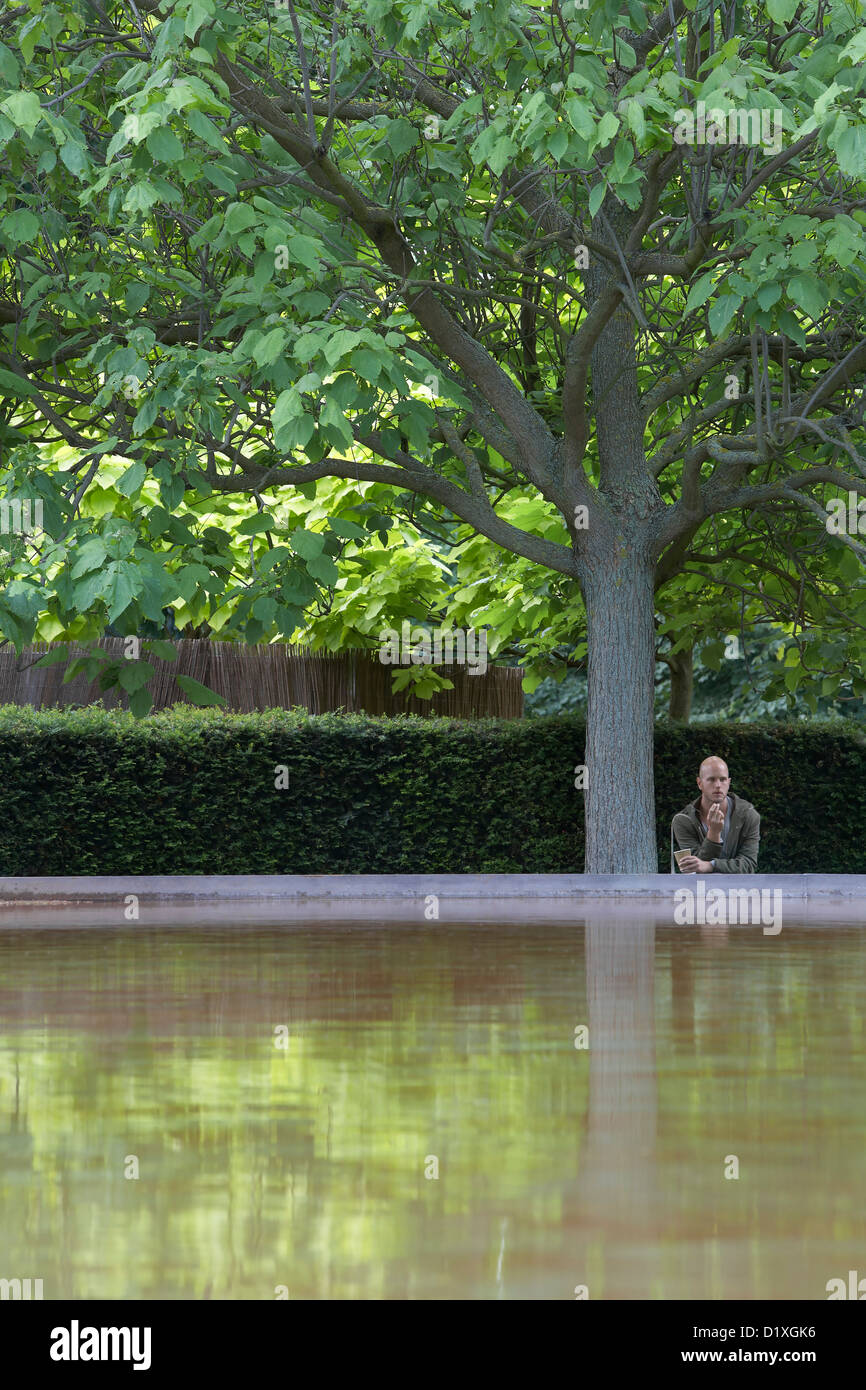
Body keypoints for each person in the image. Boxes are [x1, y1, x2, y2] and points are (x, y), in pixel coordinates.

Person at [671, 756, 760, 873]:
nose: (718, 785)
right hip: (701, 889)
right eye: (711, 779)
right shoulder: (683, 820)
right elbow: (694, 870)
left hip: (739, 889)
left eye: (723, 779)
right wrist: (713, 834)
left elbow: (748, 864)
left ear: (729, 783)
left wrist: (711, 865)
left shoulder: (748, 814)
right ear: (699, 783)